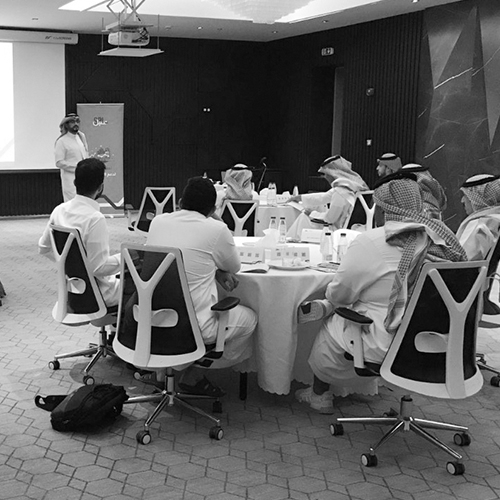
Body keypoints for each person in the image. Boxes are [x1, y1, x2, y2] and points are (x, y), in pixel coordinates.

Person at [296, 172, 467, 413]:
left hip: (388, 341)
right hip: (442, 342)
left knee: (334, 317)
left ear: (384, 209)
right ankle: (363, 388)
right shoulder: (445, 241)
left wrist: (331, 303)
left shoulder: (372, 241)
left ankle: (319, 395)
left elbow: (341, 294)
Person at [146, 176, 258, 396]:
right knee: (251, 318)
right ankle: (194, 373)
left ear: (180, 202)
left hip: (153, 320)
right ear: (212, 209)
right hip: (192, 327)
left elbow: (178, 261)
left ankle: (167, 370)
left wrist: (214, 270)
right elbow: (234, 267)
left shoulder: (158, 222)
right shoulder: (216, 229)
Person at [38, 158, 121, 307]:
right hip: (99, 294)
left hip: (73, 290)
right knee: (141, 284)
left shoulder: (59, 211)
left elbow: (43, 248)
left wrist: (70, 265)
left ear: (75, 182)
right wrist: (125, 257)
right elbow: (99, 268)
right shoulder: (95, 218)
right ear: (100, 188)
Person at [287, 155, 369, 238]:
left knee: (303, 217)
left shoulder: (341, 192)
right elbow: (323, 197)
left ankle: (290, 241)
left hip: (334, 230)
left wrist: (312, 213)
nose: (325, 177)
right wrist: (299, 197)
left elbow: (330, 219)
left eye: (326, 174)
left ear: (333, 174)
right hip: (339, 226)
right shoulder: (346, 188)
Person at [456, 174, 500, 315]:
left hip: (462, 291)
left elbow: (461, 260)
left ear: (477, 199)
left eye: (466, 196)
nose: (462, 201)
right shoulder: (495, 218)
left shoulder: (480, 223)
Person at [54, 113, 89, 202]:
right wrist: (78, 167)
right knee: (73, 204)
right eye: (72, 122)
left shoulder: (81, 137)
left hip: (84, 178)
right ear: (66, 124)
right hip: (70, 180)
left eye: (77, 121)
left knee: (85, 202)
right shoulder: (61, 141)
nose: (76, 124)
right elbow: (59, 162)